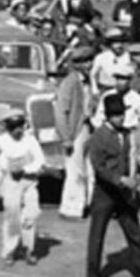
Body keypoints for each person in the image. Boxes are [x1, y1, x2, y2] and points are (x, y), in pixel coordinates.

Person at [87, 93, 140, 277]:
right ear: (108, 116)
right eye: (116, 115)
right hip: (105, 193)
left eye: (121, 114)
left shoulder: (127, 134)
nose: (120, 118)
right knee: (97, 236)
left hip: (124, 193)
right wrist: (120, 179)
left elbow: (130, 157)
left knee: (135, 235)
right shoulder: (98, 136)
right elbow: (99, 167)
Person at [0, 110, 46, 266]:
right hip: (11, 182)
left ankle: (29, 248)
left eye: (20, 126)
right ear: (7, 127)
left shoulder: (30, 141)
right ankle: (9, 250)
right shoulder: (1, 141)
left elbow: (40, 160)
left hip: (29, 180)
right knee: (12, 216)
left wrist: (26, 169)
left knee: (31, 214)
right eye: (13, 127)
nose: (17, 130)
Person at [55, 46, 96, 220]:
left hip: (87, 127)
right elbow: (61, 111)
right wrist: (66, 137)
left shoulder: (87, 81)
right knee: (75, 170)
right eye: (85, 61)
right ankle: (70, 208)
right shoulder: (69, 82)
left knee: (89, 169)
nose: (89, 64)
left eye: (90, 60)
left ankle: (87, 203)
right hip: (75, 130)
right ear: (77, 64)